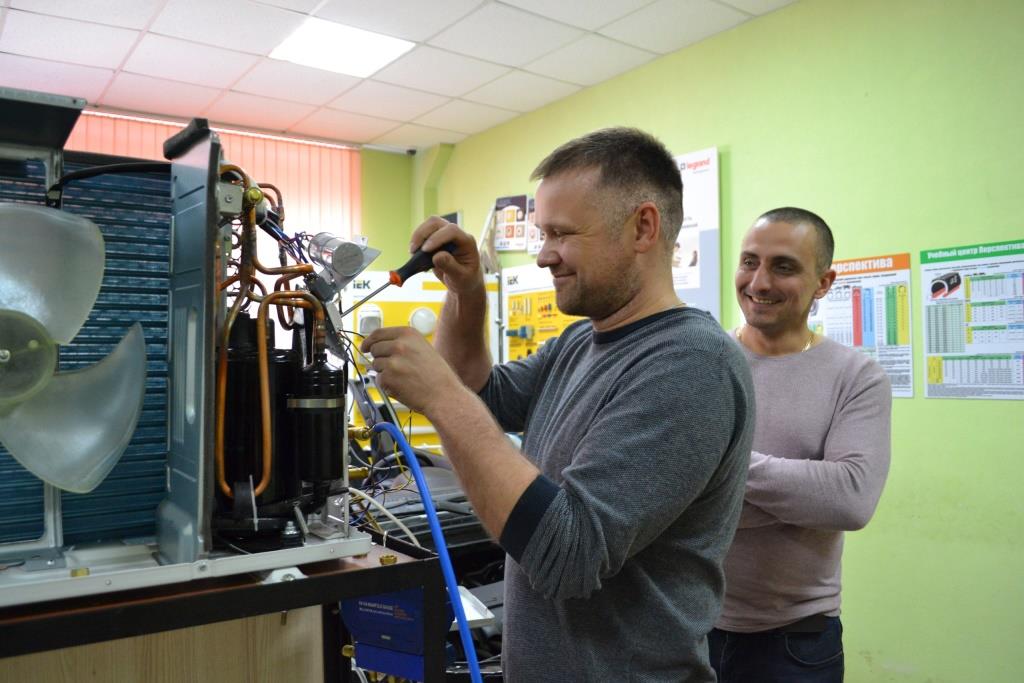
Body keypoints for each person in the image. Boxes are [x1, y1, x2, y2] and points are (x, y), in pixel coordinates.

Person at [362, 128, 755, 682]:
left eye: (562, 234)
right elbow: (482, 396)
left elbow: (568, 556)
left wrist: (441, 397)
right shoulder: (581, 340)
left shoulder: (690, 364)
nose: (544, 255)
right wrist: (466, 292)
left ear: (643, 227)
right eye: (543, 233)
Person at [710, 208, 892, 682]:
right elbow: (667, 487)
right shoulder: (702, 362)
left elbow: (849, 499)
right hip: (688, 624)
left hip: (797, 640)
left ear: (823, 283)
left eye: (784, 267)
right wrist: (796, 497)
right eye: (749, 262)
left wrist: (720, 466)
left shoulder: (857, 377)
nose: (759, 282)